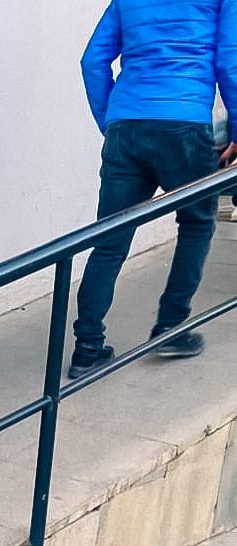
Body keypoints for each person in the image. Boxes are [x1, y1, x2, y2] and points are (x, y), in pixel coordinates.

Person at [69, 0, 237, 378]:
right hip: (185, 125)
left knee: (109, 241)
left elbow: (92, 61)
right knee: (196, 224)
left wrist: (111, 121)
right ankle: (170, 328)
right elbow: (230, 62)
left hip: (126, 125)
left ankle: (87, 348)